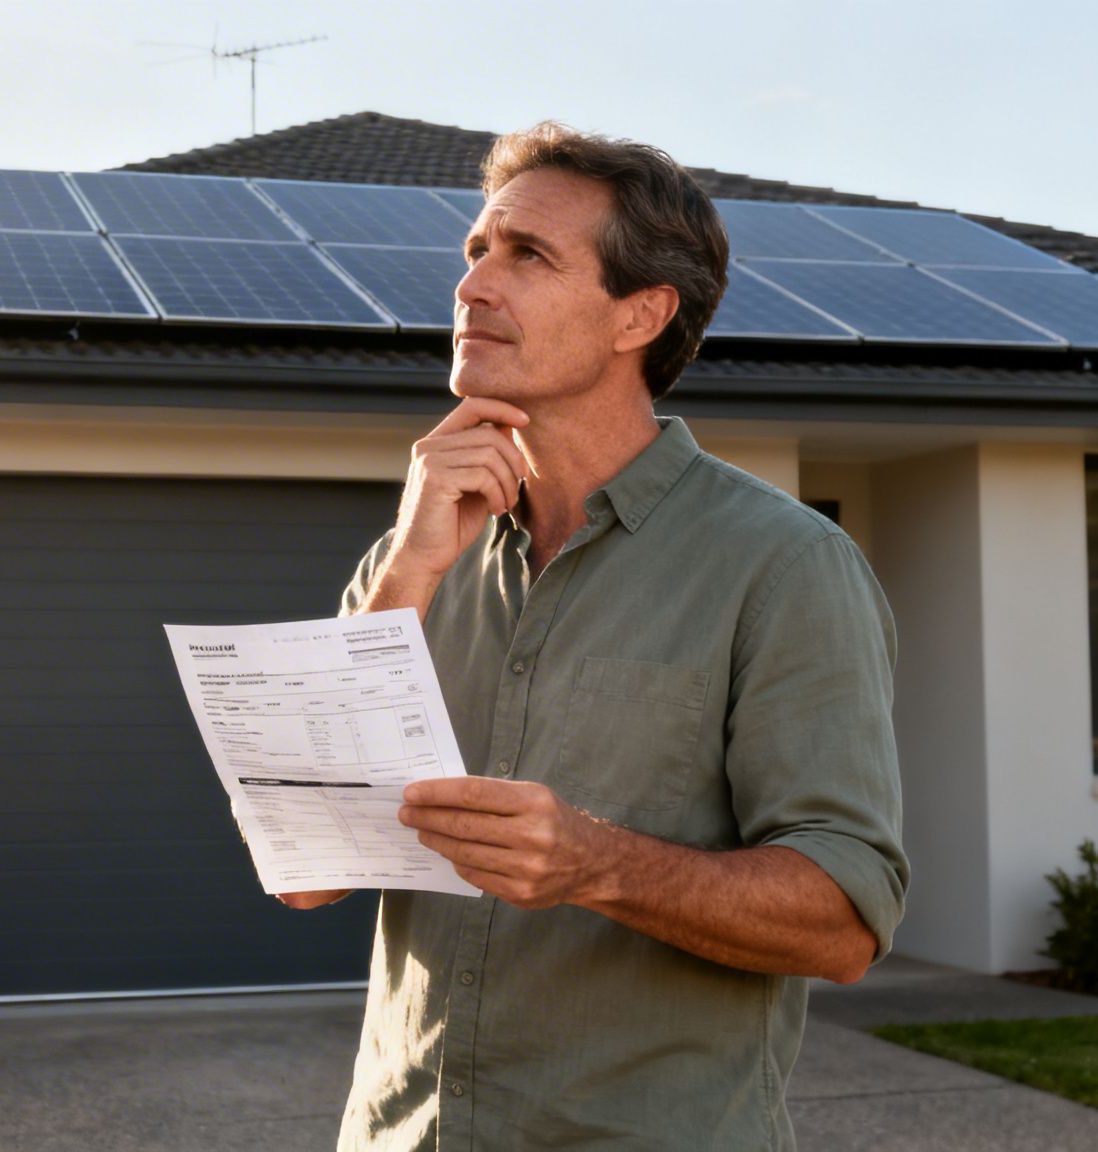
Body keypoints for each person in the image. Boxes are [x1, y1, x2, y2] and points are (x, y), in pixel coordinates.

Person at [279, 122, 909, 1150]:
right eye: (476, 252)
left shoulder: (782, 566)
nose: (473, 286)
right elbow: (305, 868)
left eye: (527, 255)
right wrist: (406, 571)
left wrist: (592, 864)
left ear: (640, 315)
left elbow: (841, 921)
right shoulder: (410, 563)